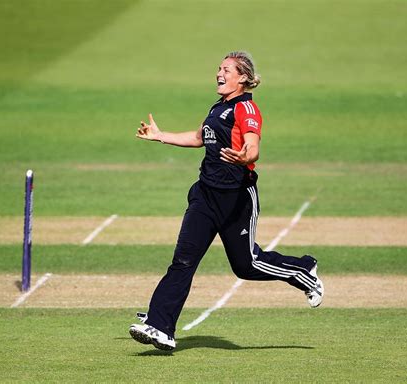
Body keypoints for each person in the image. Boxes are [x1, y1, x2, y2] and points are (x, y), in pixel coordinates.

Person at [129, 51, 324, 351]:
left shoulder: (246, 108)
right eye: (218, 69)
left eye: (226, 70)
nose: (219, 74)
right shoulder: (218, 106)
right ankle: (160, 326)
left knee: (247, 265)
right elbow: (198, 138)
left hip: (236, 200)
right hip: (205, 196)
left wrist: (245, 156)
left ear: (243, 77)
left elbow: (253, 147)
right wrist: (160, 136)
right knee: (183, 261)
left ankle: (303, 271)